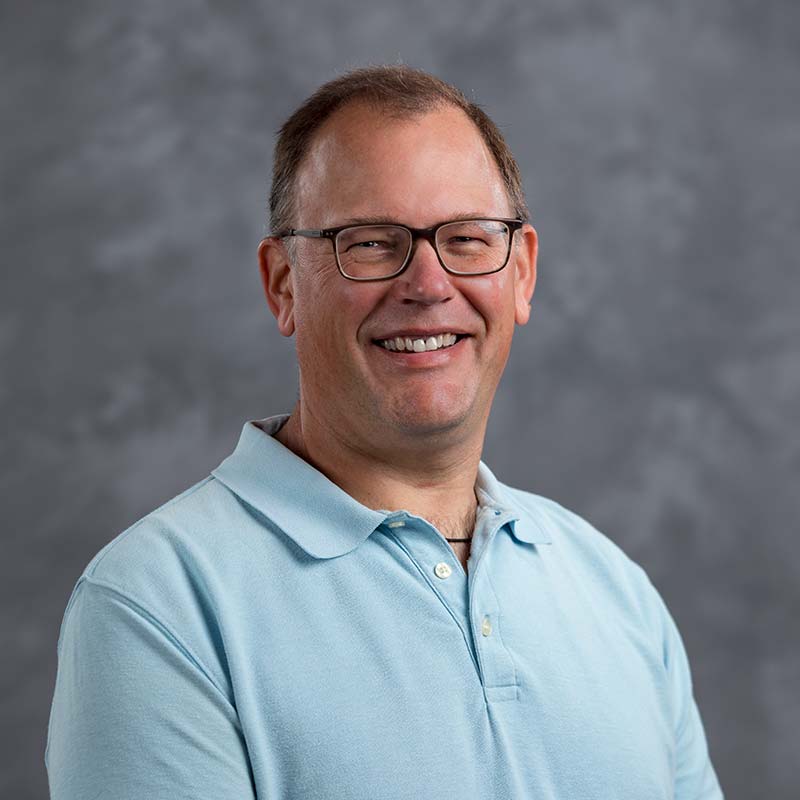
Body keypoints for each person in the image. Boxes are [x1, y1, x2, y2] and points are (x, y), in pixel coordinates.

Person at [45, 65, 724, 799]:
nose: (428, 284)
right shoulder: (159, 606)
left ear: (521, 272)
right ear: (283, 285)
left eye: (466, 238)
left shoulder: (615, 593)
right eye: (370, 243)